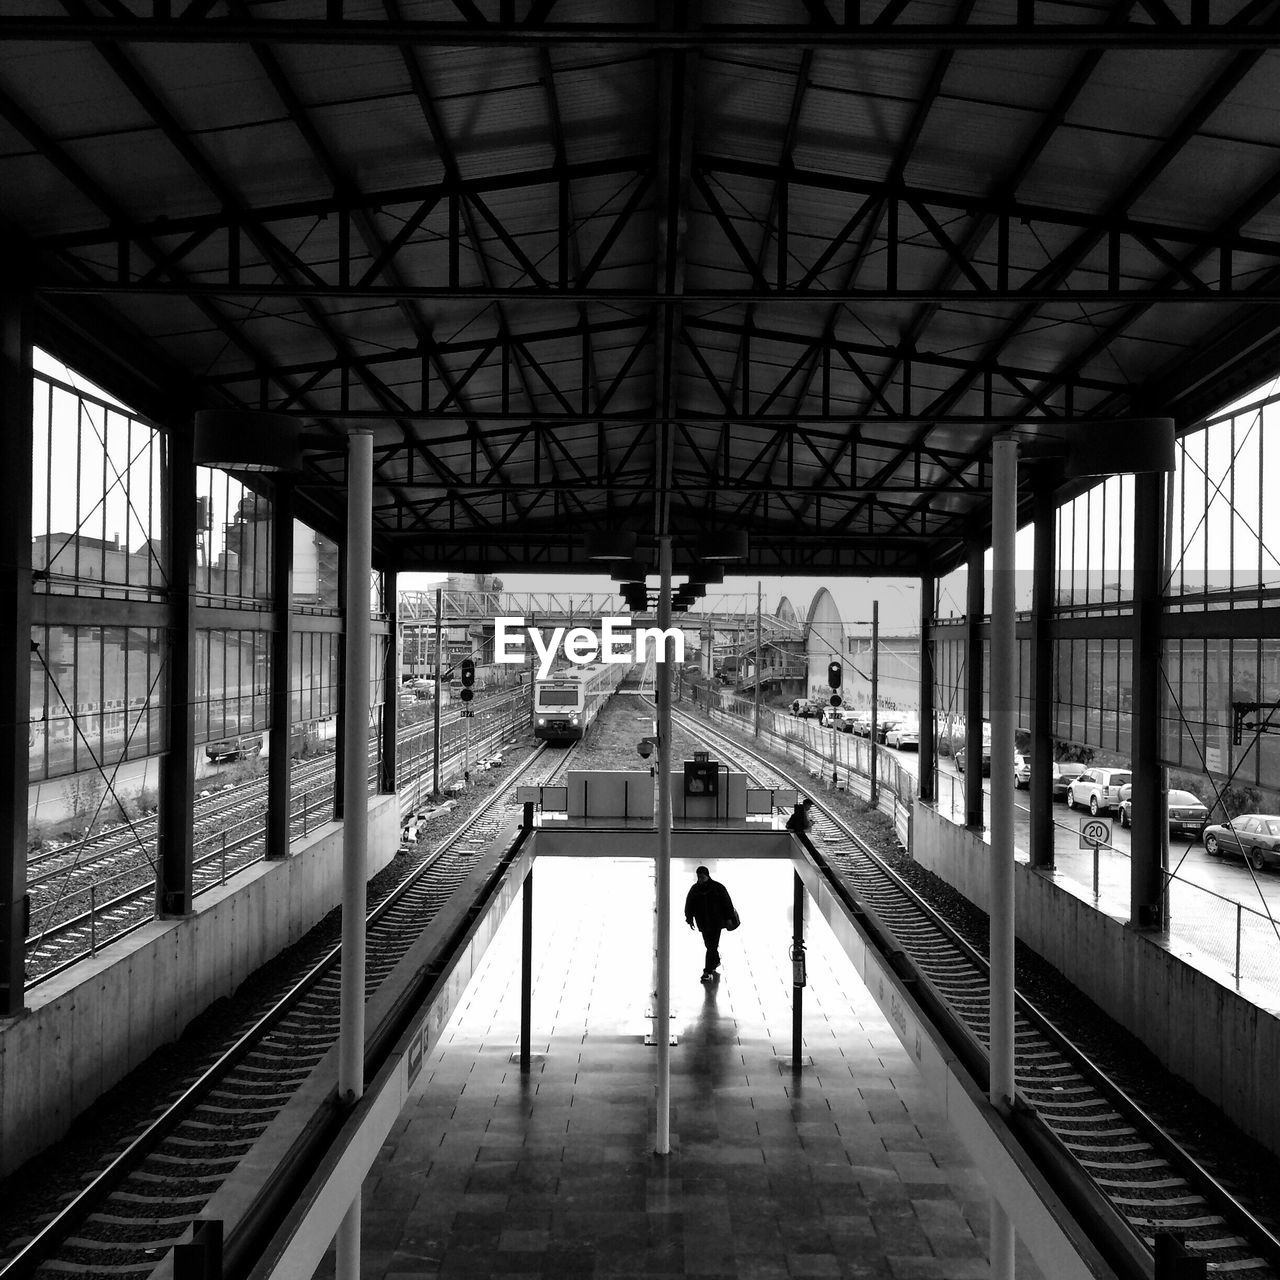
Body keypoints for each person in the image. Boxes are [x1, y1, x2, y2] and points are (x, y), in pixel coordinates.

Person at [684, 865, 736, 984]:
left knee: (711, 946)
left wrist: (728, 918)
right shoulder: (696, 889)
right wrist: (689, 919)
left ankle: (707, 971)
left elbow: (727, 904)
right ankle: (716, 960)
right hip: (703, 923)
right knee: (709, 945)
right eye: (699, 877)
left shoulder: (717, 888)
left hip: (716, 922)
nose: (700, 879)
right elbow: (689, 905)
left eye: (702, 877)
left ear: (707, 876)